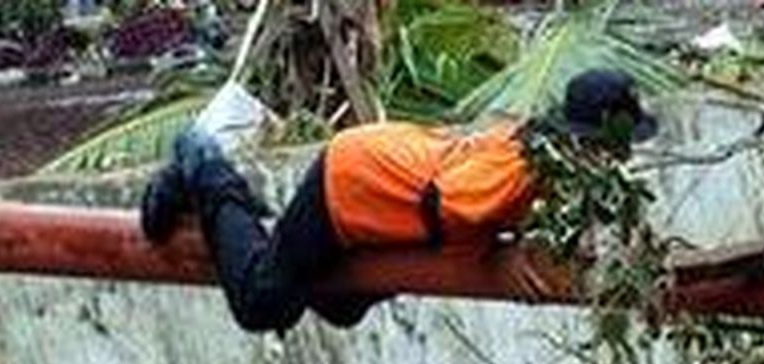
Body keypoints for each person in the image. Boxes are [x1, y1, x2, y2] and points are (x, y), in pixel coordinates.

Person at [140, 68, 659, 332]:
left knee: (338, 305)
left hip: (382, 194)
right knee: (263, 303)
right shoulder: (527, 162)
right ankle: (204, 160)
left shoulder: (556, 161)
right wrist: (496, 257)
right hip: (354, 181)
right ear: (587, 139)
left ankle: (207, 198)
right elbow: (451, 202)